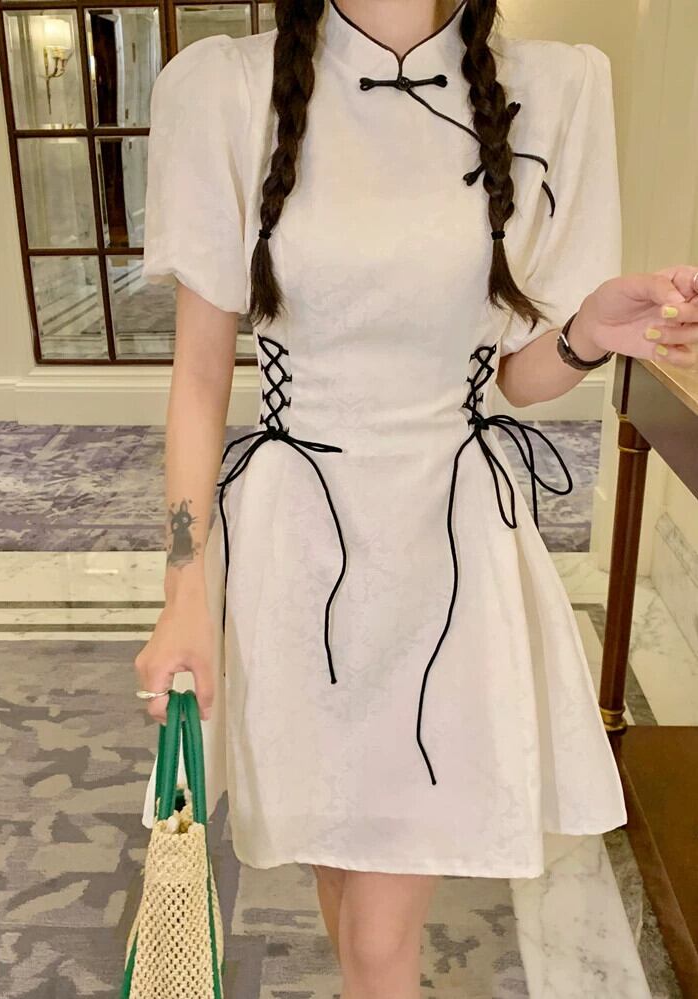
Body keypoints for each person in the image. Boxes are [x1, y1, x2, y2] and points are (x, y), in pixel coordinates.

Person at [134, 0, 698, 994]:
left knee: (381, 935)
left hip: (448, 549)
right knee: (340, 866)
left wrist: (585, 336)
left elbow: (514, 378)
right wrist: (185, 590)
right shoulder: (223, 89)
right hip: (296, 547)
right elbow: (199, 377)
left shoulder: (557, 89)